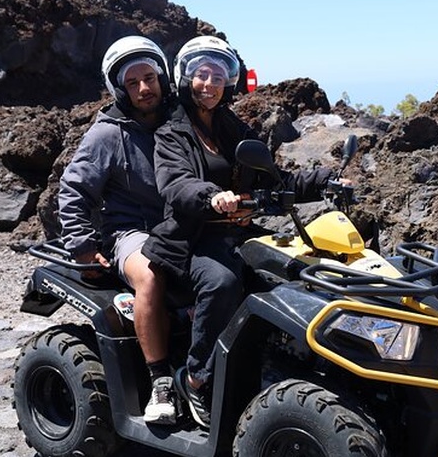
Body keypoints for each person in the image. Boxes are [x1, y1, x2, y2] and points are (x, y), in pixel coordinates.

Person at [142, 35, 334, 428]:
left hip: (240, 233)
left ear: (229, 81)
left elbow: (273, 180)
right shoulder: (171, 132)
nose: (209, 83)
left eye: (218, 75)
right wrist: (214, 197)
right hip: (192, 237)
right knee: (223, 282)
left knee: (298, 272)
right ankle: (196, 378)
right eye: (201, 74)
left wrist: (327, 180)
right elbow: (175, 184)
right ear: (186, 77)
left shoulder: (235, 127)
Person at [58, 35, 179, 425]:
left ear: (163, 77)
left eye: (150, 77)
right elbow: (74, 188)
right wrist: (80, 245)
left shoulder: (181, 121)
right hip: (133, 231)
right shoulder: (108, 134)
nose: (144, 88)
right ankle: (160, 381)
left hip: (182, 225)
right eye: (132, 82)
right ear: (119, 88)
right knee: (152, 273)